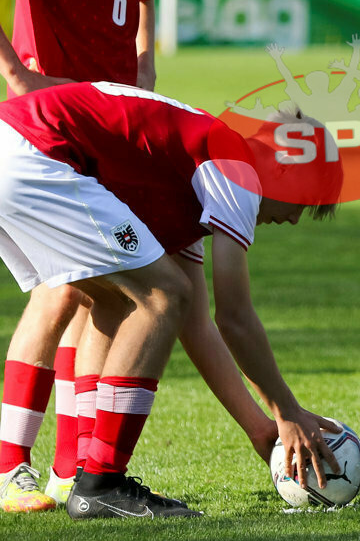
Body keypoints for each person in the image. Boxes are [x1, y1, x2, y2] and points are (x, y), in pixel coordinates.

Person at [0, 0, 276, 513]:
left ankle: (72, 471)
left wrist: (145, 59)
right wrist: (15, 74)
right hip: (51, 127)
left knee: (108, 295)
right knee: (66, 289)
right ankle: (11, 468)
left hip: (116, 126)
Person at [0, 80, 341, 518]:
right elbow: (233, 317)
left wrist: (262, 428)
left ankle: (82, 474)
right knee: (162, 293)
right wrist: (287, 409)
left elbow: (196, 325)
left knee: (114, 299)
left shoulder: (193, 182)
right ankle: (101, 481)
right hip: (36, 154)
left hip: (20, 148)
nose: (295, 220)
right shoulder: (236, 170)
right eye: (304, 201)